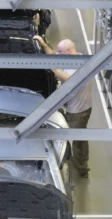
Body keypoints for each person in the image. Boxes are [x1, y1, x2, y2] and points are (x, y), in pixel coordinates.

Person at [35, 36, 94, 178]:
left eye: (60, 52)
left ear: (68, 51)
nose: (58, 54)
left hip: (79, 111)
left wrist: (49, 65)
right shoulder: (71, 57)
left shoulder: (81, 66)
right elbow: (54, 55)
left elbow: (64, 77)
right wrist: (43, 44)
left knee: (77, 139)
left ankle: (81, 169)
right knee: (76, 136)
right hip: (74, 106)